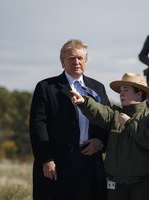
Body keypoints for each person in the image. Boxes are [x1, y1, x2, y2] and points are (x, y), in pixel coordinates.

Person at [29, 39, 110, 200]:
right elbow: (38, 126)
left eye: (80, 58)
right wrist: (46, 159)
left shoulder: (97, 88)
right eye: (71, 58)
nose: (76, 62)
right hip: (57, 164)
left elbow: (108, 121)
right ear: (62, 62)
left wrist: (101, 142)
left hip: (90, 162)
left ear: (86, 61)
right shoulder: (46, 87)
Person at [71, 72, 149, 200]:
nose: (121, 93)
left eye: (126, 90)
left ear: (139, 93)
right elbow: (101, 111)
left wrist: (129, 123)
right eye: (120, 90)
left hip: (144, 185)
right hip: (116, 185)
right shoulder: (115, 114)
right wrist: (84, 102)